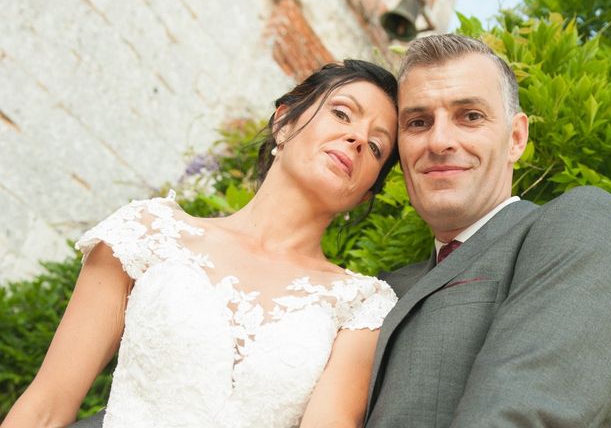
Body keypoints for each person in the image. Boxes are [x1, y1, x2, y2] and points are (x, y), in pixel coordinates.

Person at [3, 60, 400, 428]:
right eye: (342, 113)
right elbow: (47, 405)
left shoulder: (361, 306)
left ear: (364, 194)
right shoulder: (148, 232)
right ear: (283, 122)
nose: (357, 138)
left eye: (377, 146)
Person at [365, 34, 611, 427]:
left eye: (470, 116)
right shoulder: (377, 290)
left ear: (516, 138)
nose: (439, 141)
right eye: (418, 122)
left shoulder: (577, 225)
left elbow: (529, 415)